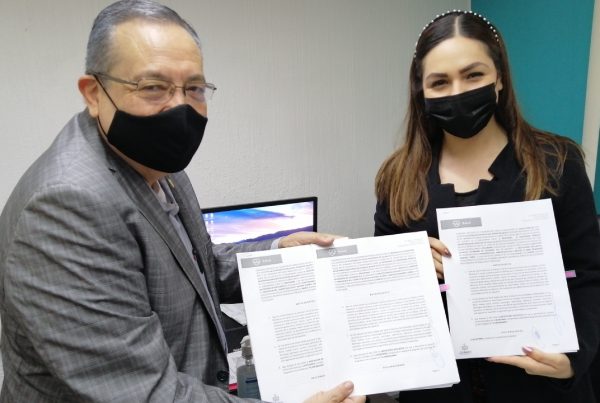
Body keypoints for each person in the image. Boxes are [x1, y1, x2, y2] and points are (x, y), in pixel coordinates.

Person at [0, 1, 365, 402]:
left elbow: (194, 265)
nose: (180, 107)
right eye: (153, 87)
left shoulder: (155, 163)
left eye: (194, 89)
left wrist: (279, 252)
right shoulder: (67, 206)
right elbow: (146, 393)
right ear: (93, 93)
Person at [374, 10, 600, 403]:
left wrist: (572, 360)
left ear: (499, 78)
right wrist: (405, 263)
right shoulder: (399, 176)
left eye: (473, 75)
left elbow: (589, 274)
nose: (457, 91)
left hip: (537, 386)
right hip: (438, 392)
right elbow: (382, 292)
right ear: (420, 91)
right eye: (439, 82)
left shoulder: (556, 162)